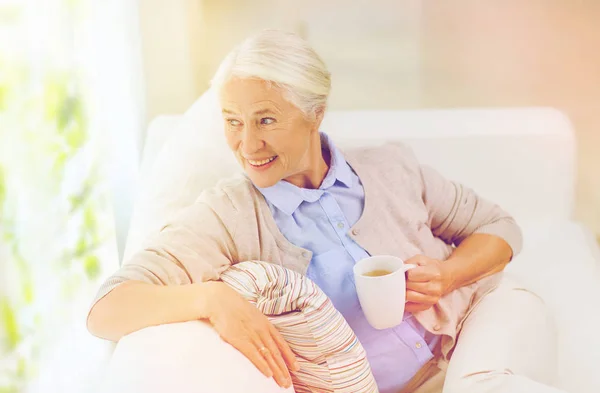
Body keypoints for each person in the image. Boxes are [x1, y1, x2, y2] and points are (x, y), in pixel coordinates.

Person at [87, 30, 565, 393]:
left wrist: (449, 274)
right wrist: (211, 300)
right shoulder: (228, 214)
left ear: (315, 112)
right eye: (232, 123)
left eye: (266, 120)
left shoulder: (389, 168)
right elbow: (107, 308)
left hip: (471, 332)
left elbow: (500, 229)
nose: (247, 144)